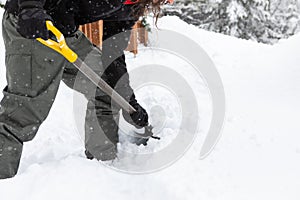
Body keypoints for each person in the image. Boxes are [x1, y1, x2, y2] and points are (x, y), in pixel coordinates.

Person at [0, 0, 165, 179]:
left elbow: (113, 54)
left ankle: (101, 167)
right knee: (22, 113)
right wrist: (30, 7)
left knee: (107, 91)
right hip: (33, 25)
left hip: (64, 33)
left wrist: (128, 100)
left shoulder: (129, 9)